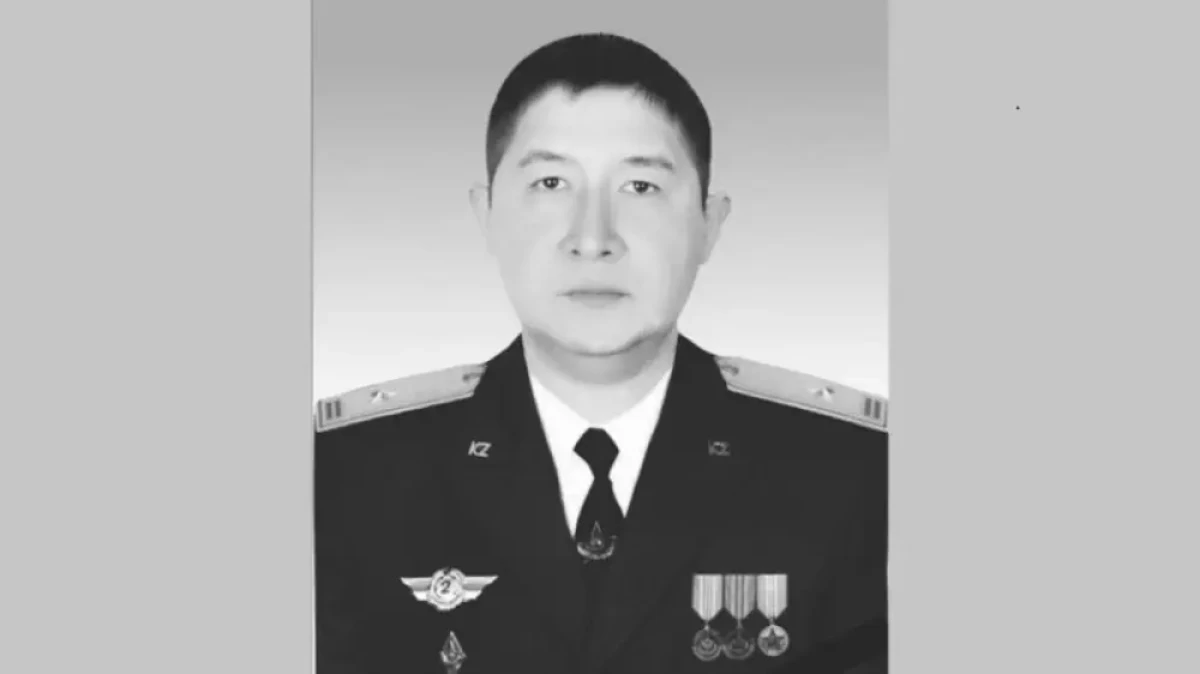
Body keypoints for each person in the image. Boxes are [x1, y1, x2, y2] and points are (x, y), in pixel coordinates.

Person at [314, 32, 887, 674]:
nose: (593, 238)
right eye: (551, 182)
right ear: (487, 215)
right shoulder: (343, 477)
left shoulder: (857, 477)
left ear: (709, 223)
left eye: (640, 186)